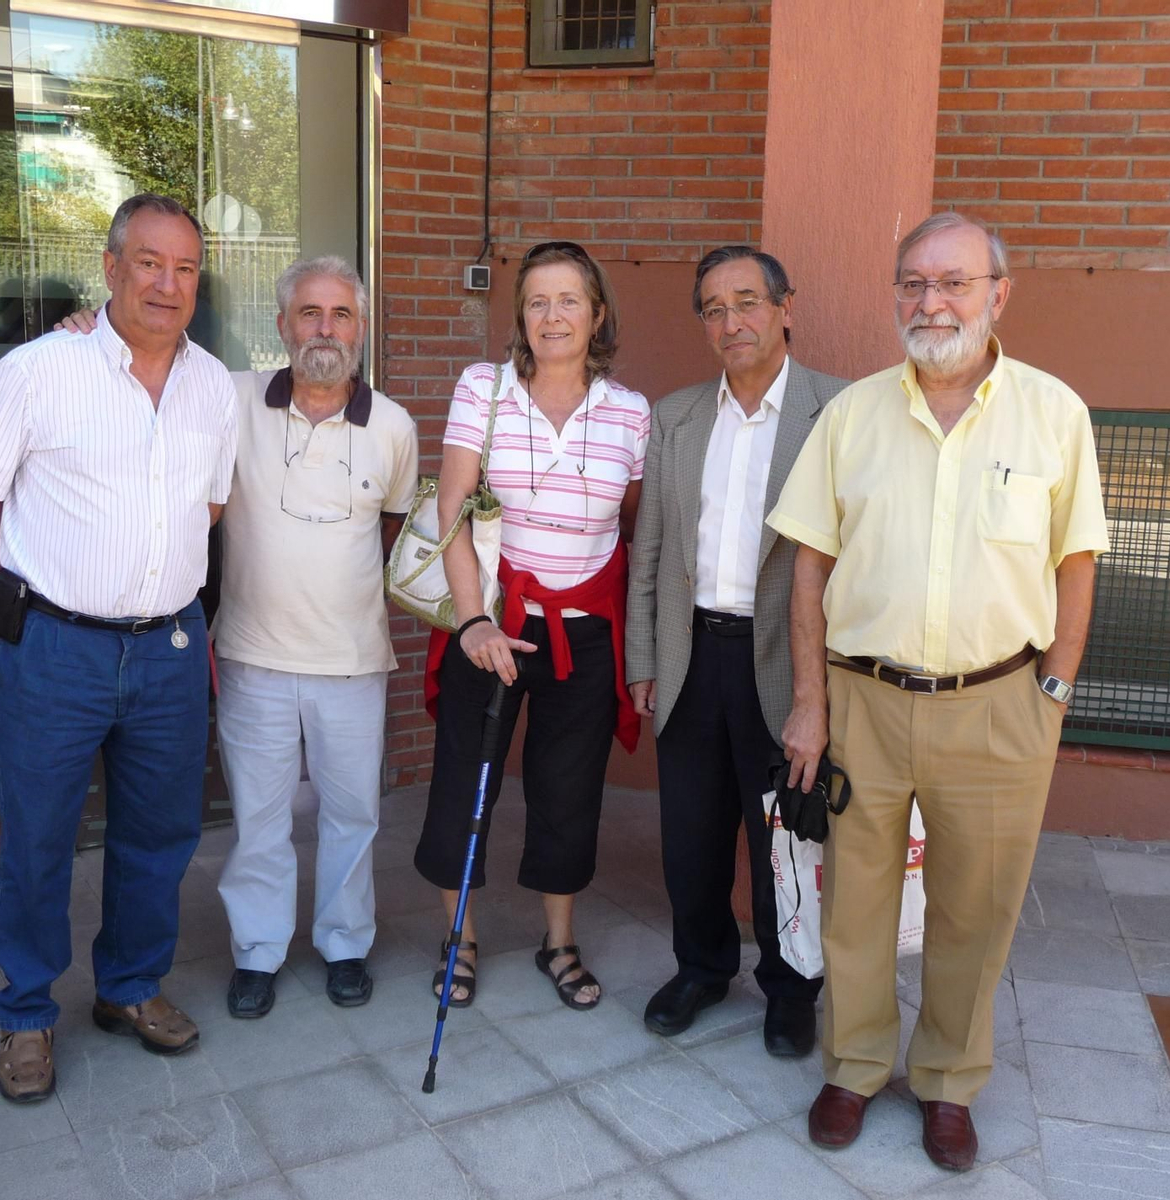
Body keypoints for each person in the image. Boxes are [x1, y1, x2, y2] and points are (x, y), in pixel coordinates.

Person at [768, 211, 1109, 1171]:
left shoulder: (1055, 413)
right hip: (864, 699)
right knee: (857, 901)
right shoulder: (852, 415)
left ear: (998, 294)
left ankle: (949, 1081)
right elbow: (808, 566)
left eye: (954, 282)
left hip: (1002, 703)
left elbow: (1077, 561)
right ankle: (855, 1065)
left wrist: (1055, 688)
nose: (932, 301)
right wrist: (809, 698)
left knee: (977, 905)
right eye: (914, 282)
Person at [59, 256, 418, 1017]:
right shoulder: (233, 396)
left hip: (353, 661)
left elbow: (391, 531)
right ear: (281, 325)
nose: (325, 329)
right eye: (310, 314)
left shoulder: (392, 427)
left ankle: (346, 943)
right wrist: (87, 331)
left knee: (353, 813)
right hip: (252, 654)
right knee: (260, 816)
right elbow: (150, 367)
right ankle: (258, 951)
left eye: (341, 315)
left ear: (361, 327)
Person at [0, 194, 238, 1104]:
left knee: (159, 834)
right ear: (111, 268)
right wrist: (36, 573)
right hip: (56, 650)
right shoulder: (40, 370)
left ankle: (131, 988)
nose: (167, 283)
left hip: (170, 650)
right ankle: (27, 1013)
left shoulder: (214, 385)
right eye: (149, 262)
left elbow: (212, 508)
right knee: (36, 838)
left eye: (185, 268)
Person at [414, 240, 649, 1011]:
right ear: (520, 314)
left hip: (581, 631)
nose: (554, 316)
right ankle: (461, 938)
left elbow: (630, 529)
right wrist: (474, 620)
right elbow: (451, 508)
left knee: (567, 789)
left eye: (570, 300)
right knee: (464, 785)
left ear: (598, 312)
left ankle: (559, 939)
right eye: (538, 301)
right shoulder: (483, 388)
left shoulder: (630, 412)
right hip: (492, 622)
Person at [625, 246, 845, 1057]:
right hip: (693, 654)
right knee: (692, 834)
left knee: (785, 836)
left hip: (786, 658)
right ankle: (703, 967)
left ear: (786, 307)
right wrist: (643, 658)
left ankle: (791, 987)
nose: (732, 321)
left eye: (747, 302)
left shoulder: (839, 410)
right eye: (713, 308)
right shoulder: (676, 415)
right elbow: (649, 550)